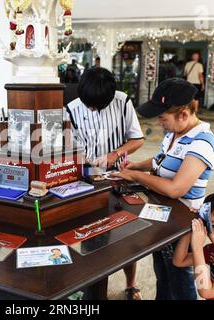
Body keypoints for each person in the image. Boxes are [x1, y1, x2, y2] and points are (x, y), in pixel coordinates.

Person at [112, 78, 214, 300]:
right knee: (163, 273)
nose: (159, 123)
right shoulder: (174, 134)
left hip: (183, 224)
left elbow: (176, 189)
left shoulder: (202, 142)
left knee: (181, 280)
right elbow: (162, 161)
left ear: (183, 114)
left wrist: (135, 175)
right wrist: (137, 165)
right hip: (164, 216)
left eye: (163, 118)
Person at [65, 67, 145, 300]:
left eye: (99, 106)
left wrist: (115, 153)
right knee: (84, 232)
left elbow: (138, 139)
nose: (94, 110)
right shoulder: (70, 109)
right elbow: (68, 146)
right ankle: (82, 284)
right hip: (84, 177)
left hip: (117, 176)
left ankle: (131, 285)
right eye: (90, 105)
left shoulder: (123, 102)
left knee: (125, 233)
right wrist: (81, 161)